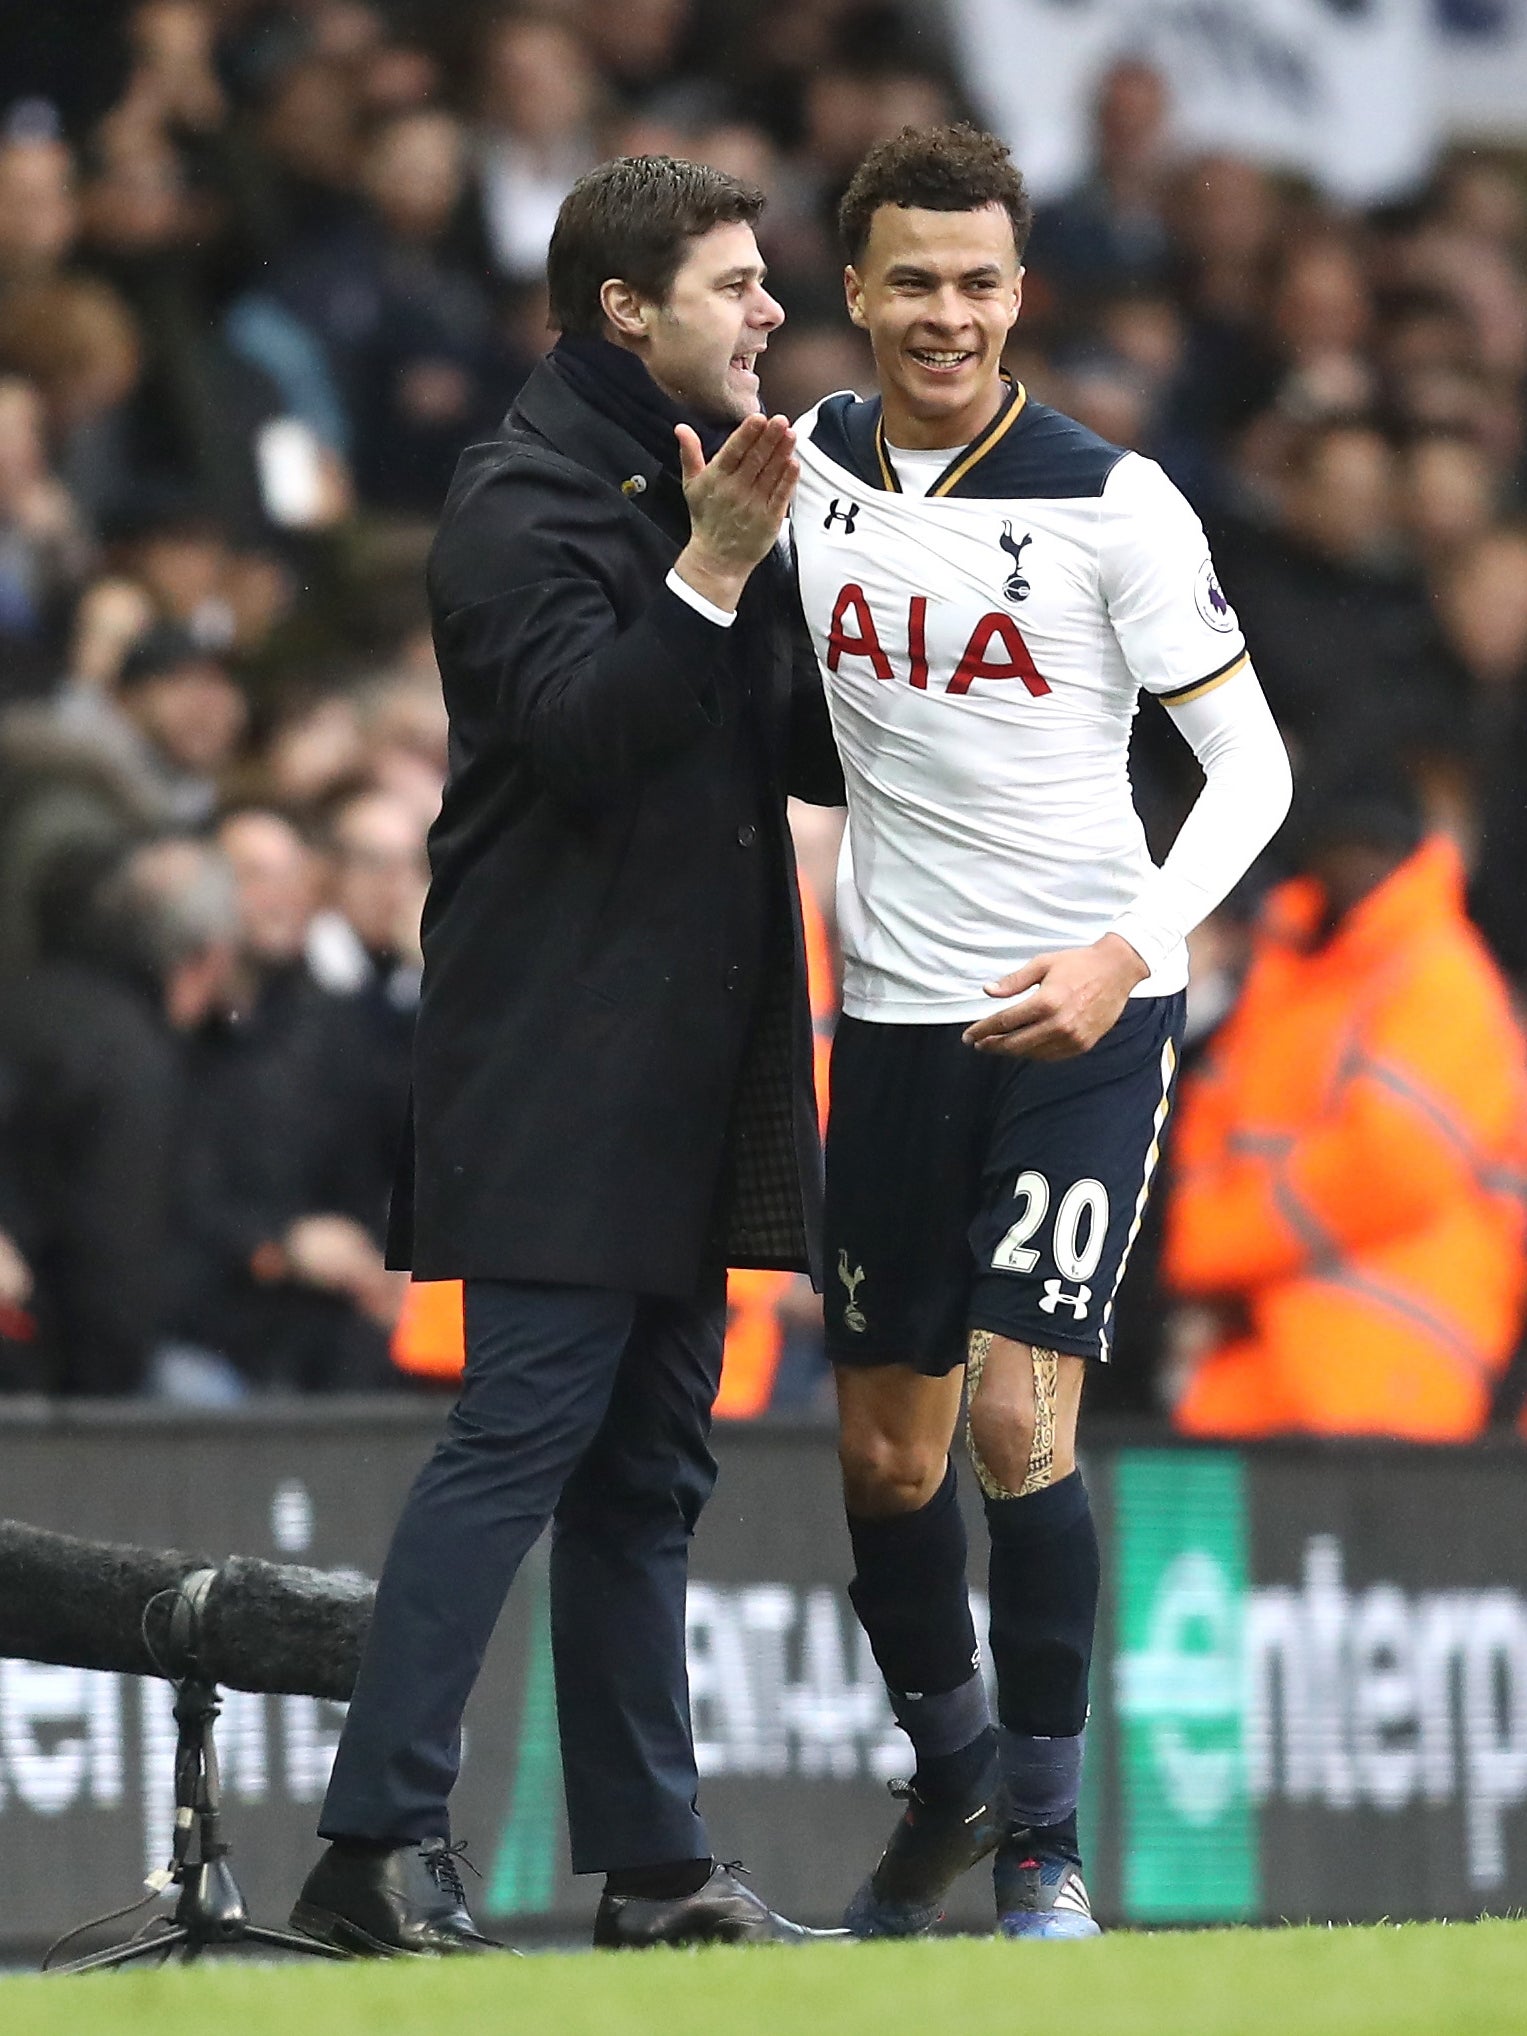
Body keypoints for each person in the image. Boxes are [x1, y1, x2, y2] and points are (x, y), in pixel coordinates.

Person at [290, 154, 842, 1958]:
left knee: (646, 1473)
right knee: (517, 1439)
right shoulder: (517, 497)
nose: (771, 311)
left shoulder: (711, 482)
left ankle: (656, 1868)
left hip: (682, 1071)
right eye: (737, 284)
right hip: (555, 1061)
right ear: (627, 307)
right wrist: (714, 567)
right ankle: (372, 1847)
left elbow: (799, 758)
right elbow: (586, 739)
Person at [787, 125, 1292, 1939]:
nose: (943, 313)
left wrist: (1130, 942)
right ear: (852, 289)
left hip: (1080, 1011)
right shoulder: (807, 471)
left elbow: (1253, 770)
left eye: (977, 280)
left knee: (1016, 1412)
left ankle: (1043, 1850)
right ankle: (953, 1770)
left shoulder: (1117, 501)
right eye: (910, 279)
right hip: (895, 1021)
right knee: (883, 1457)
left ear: (1022, 294)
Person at [1162, 767, 1527, 1438]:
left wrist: (1201, 1245)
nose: (1352, 866)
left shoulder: (1440, 977)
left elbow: (1390, 1167)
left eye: (1370, 848)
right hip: (1254, 1366)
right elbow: (1208, 1126)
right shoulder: (1288, 972)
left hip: (1384, 1375)